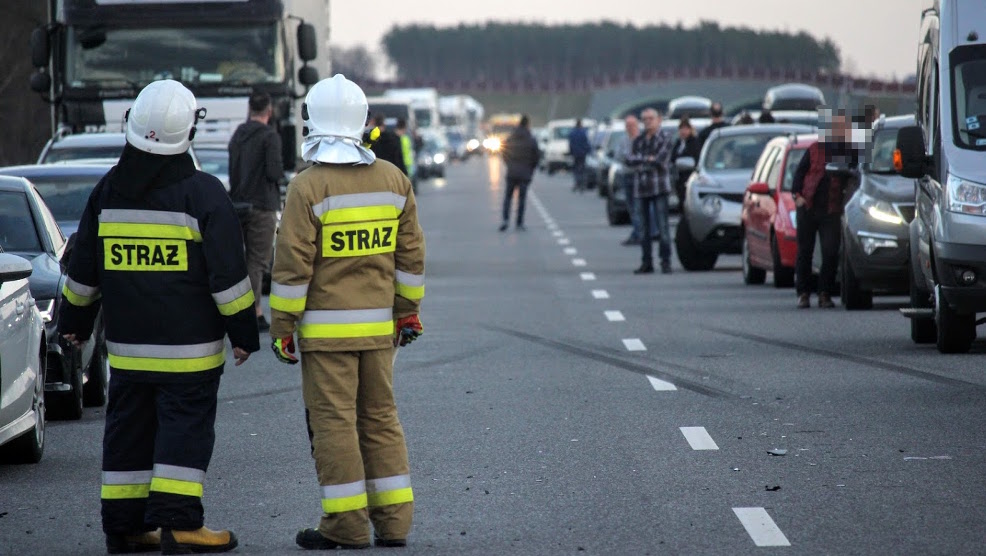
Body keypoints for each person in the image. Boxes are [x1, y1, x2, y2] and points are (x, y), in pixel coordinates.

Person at [58, 79, 259, 555]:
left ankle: (125, 526)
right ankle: (180, 524)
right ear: (189, 131)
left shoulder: (108, 190)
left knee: (127, 432)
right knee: (183, 431)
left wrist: (74, 322)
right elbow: (228, 278)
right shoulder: (204, 195)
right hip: (188, 355)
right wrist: (244, 334)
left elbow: (82, 267)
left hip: (127, 352)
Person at [269, 75, 425, 550]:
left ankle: (347, 525)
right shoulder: (393, 180)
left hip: (326, 335)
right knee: (380, 419)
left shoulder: (308, 186)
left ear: (312, 121)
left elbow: (293, 266)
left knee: (335, 424)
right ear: (362, 122)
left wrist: (282, 328)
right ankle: (394, 524)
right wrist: (407, 312)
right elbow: (411, 256)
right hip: (380, 331)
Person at [791, 109, 858, 309]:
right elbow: (799, 175)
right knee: (805, 252)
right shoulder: (813, 149)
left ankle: (824, 293)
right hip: (808, 207)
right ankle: (803, 293)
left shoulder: (849, 153)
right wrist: (798, 197)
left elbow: (855, 177)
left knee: (830, 252)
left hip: (832, 210)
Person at [228, 92, 284, 332]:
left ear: (249, 109)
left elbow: (232, 171)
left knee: (239, 261)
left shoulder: (238, 135)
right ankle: (255, 312)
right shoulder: (270, 136)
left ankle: (238, 309)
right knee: (257, 261)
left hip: (238, 204)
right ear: (268, 111)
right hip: (263, 205)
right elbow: (273, 172)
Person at [626, 108, 674, 274]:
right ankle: (647, 262)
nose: (647, 122)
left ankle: (665, 261)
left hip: (659, 187)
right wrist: (648, 160)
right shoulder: (638, 140)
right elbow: (630, 160)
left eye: (650, 118)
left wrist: (643, 162)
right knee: (644, 229)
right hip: (641, 188)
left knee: (663, 227)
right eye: (644, 119)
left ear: (658, 119)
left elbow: (661, 160)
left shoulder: (665, 138)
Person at [499, 115, 541, 232]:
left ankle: (505, 220)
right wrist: (531, 169)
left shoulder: (511, 138)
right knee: (522, 198)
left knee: (508, 197)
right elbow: (536, 157)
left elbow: (504, 152)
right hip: (525, 173)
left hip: (512, 172)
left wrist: (509, 164)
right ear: (527, 124)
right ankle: (519, 222)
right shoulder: (531, 139)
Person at [617, 115, 646, 246]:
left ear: (637, 126)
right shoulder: (623, 140)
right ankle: (637, 232)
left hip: (639, 176)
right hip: (627, 175)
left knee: (639, 207)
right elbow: (619, 155)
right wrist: (630, 159)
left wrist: (630, 159)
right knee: (631, 206)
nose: (630, 128)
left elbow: (641, 158)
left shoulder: (642, 139)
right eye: (627, 126)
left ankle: (640, 233)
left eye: (632, 125)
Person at [671, 117, 701, 206]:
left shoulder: (694, 142)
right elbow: (673, 157)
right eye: (681, 129)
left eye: (686, 129)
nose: (683, 131)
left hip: (689, 176)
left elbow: (694, 159)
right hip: (678, 177)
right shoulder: (678, 143)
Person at [568, 119, 591, 192]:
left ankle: (577, 183)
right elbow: (586, 143)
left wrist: (571, 152)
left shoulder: (572, 133)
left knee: (576, 168)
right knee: (582, 168)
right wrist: (588, 151)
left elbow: (570, 144)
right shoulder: (583, 132)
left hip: (575, 153)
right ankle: (581, 184)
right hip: (582, 153)